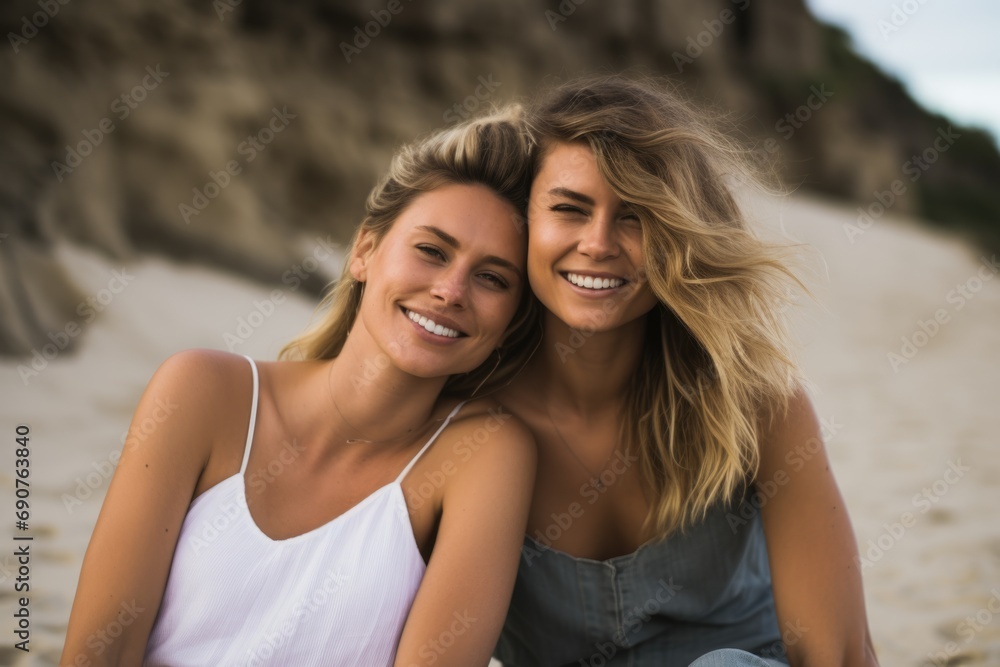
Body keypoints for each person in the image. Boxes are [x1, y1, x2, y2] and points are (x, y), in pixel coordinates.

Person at [60, 105, 541, 666]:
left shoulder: (483, 456)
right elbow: (102, 651)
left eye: (492, 278)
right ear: (365, 252)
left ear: (512, 317)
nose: (452, 291)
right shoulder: (203, 392)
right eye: (431, 251)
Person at [492, 77, 880, 666]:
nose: (597, 243)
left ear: (680, 234)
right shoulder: (468, 416)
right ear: (523, 223)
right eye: (569, 209)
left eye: (636, 217)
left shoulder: (754, 403)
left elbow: (840, 655)